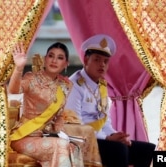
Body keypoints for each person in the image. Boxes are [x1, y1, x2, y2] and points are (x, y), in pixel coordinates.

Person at [65, 34, 156, 167]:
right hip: (79, 141)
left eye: (105, 61)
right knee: (119, 151)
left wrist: (116, 136)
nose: (102, 64)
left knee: (147, 149)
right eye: (97, 59)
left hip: (99, 139)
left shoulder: (101, 86)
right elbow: (75, 127)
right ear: (86, 60)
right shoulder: (75, 85)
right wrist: (108, 138)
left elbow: (105, 122)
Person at [8, 42, 84, 167]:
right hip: (23, 137)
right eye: (51, 56)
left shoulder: (66, 86)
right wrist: (19, 68)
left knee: (74, 148)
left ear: (66, 64)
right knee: (61, 146)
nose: (54, 60)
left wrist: (60, 129)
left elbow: (59, 114)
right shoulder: (32, 78)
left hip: (45, 136)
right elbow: (13, 90)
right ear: (45, 59)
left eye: (60, 58)